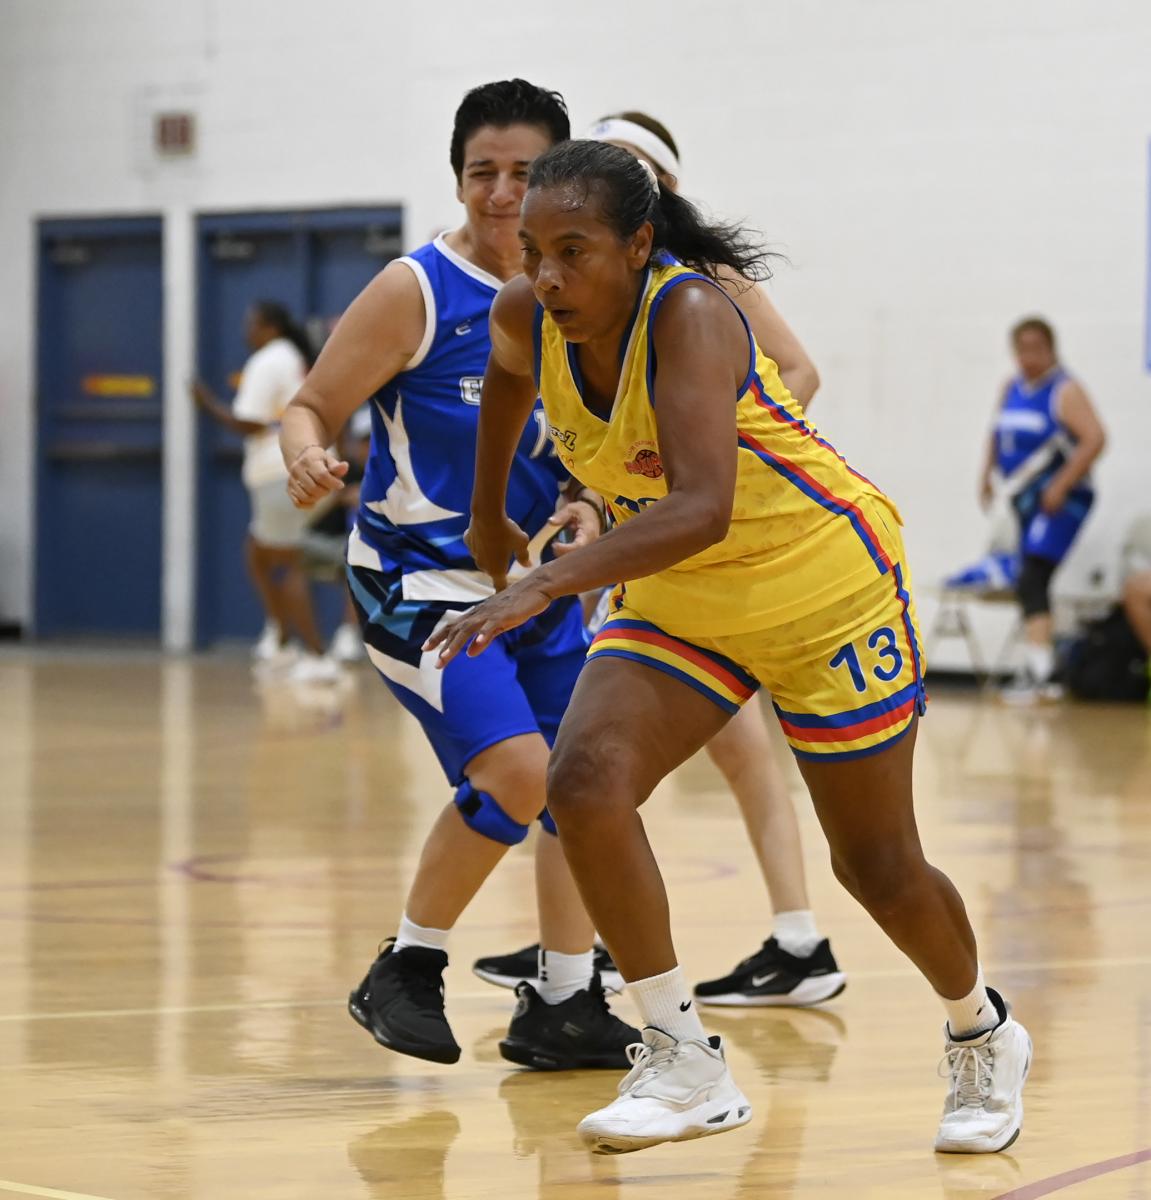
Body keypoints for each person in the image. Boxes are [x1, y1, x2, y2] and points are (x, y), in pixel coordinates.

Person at [428, 140, 1032, 1155]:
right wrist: (487, 517)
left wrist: (540, 581)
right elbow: (504, 384)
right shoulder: (526, 314)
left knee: (876, 865)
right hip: (682, 593)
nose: (547, 276)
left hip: (822, 586)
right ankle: (681, 1060)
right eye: (532, 251)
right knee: (584, 783)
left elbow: (703, 505)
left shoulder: (693, 315)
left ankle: (981, 1031)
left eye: (573, 251)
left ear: (637, 244)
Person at [278, 80, 638, 1071]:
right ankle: (405, 965)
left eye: (523, 172)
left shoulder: (587, 295)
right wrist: (304, 454)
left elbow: (602, 445)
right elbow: (309, 405)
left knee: (584, 785)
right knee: (519, 772)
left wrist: (588, 503)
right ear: (457, 180)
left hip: (537, 587)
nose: (501, 192)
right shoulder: (418, 290)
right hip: (417, 579)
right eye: (483, 172)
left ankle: (565, 1001)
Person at [473, 110, 844, 1008]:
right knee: (598, 760)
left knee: (736, 754)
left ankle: (795, 936)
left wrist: (698, 456)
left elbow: (797, 373)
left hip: (737, 542)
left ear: (652, 203)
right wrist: (599, 491)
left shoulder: (699, 286)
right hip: (655, 540)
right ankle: (590, 945)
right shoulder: (567, 295)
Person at [192, 301, 341, 684]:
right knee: (257, 552)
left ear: (271, 327)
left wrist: (206, 404)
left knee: (286, 562)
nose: (247, 331)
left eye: (252, 323)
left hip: (283, 472)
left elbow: (250, 423)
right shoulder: (294, 356)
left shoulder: (267, 361)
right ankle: (281, 638)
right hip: (313, 466)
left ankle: (317, 657)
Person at [978, 317, 1106, 702]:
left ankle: (1041, 673)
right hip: (1022, 498)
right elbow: (996, 434)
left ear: (1051, 348)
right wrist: (986, 475)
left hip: (1062, 501)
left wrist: (1062, 483)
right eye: (1022, 349)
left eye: (1036, 348)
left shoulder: (1065, 390)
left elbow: (1095, 438)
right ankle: (1041, 667)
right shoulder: (1011, 388)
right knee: (1029, 579)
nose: (1028, 357)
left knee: (1034, 575)